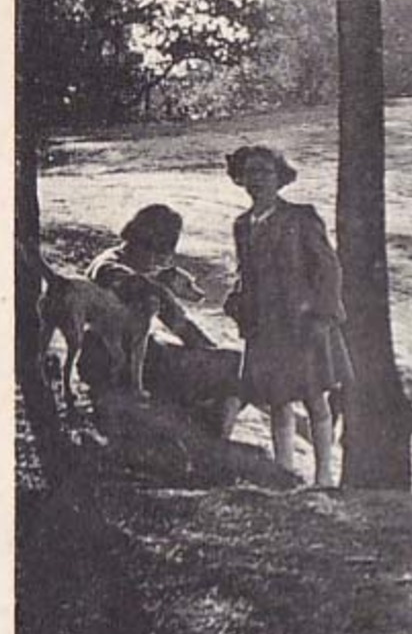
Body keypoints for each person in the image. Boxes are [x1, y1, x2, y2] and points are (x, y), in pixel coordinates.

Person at [225, 145, 349, 487]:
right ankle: (285, 472)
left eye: (265, 172)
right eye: (250, 173)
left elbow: (328, 268)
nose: (257, 180)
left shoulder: (301, 217)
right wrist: (237, 299)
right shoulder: (242, 225)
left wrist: (322, 316)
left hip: (302, 321)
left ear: (280, 178)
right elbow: (245, 272)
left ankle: (324, 475)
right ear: (241, 179)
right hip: (264, 325)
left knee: (313, 395)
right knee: (276, 398)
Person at [80, 204, 232, 417]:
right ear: (143, 245)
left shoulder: (131, 267)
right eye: (157, 254)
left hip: (121, 359)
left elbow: (179, 324)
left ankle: (208, 412)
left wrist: (210, 350)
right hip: (109, 363)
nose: (157, 263)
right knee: (232, 366)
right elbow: (136, 286)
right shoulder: (111, 267)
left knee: (229, 363)